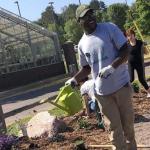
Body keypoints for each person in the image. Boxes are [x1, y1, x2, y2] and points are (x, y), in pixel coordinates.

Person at [66, 4, 137, 150]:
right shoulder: (81, 44)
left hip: (121, 86)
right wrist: (74, 79)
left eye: (92, 14)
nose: (91, 18)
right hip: (102, 93)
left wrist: (112, 67)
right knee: (114, 130)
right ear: (79, 21)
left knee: (128, 126)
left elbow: (126, 50)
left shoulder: (109, 28)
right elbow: (86, 68)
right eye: (86, 16)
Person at [125, 29, 150, 98]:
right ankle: (128, 93)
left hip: (139, 63)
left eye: (131, 35)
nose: (130, 37)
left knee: (141, 79)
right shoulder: (126, 44)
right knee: (130, 79)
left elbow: (145, 48)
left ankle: (149, 92)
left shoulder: (139, 42)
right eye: (128, 36)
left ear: (134, 35)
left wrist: (145, 44)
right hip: (131, 64)